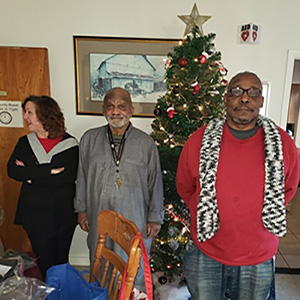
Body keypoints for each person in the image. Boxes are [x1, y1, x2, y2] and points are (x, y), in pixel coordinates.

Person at [176, 71, 299, 300]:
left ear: (261, 100)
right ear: (225, 98)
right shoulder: (199, 140)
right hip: (206, 250)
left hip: (258, 254)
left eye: (253, 92)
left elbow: (288, 189)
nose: (244, 98)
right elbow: (185, 187)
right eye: (236, 91)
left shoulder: (283, 144)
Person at [74, 87, 164, 291]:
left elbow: (155, 182)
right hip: (99, 211)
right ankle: (100, 294)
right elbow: (82, 177)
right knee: (100, 257)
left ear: (131, 110)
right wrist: (81, 209)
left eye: (122, 106)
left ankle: (135, 294)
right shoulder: (89, 139)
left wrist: (155, 218)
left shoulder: (145, 143)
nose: (116, 111)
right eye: (110, 106)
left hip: (136, 214)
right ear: (103, 110)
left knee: (134, 261)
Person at [7, 95, 79, 280]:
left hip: (62, 213)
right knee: (44, 261)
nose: (25, 117)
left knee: (61, 259)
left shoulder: (70, 145)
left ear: (45, 115)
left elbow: (68, 178)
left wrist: (31, 175)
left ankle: (61, 291)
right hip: (34, 213)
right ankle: (48, 292)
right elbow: (13, 171)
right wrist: (49, 171)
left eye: (29, 112)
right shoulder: (25, 142)